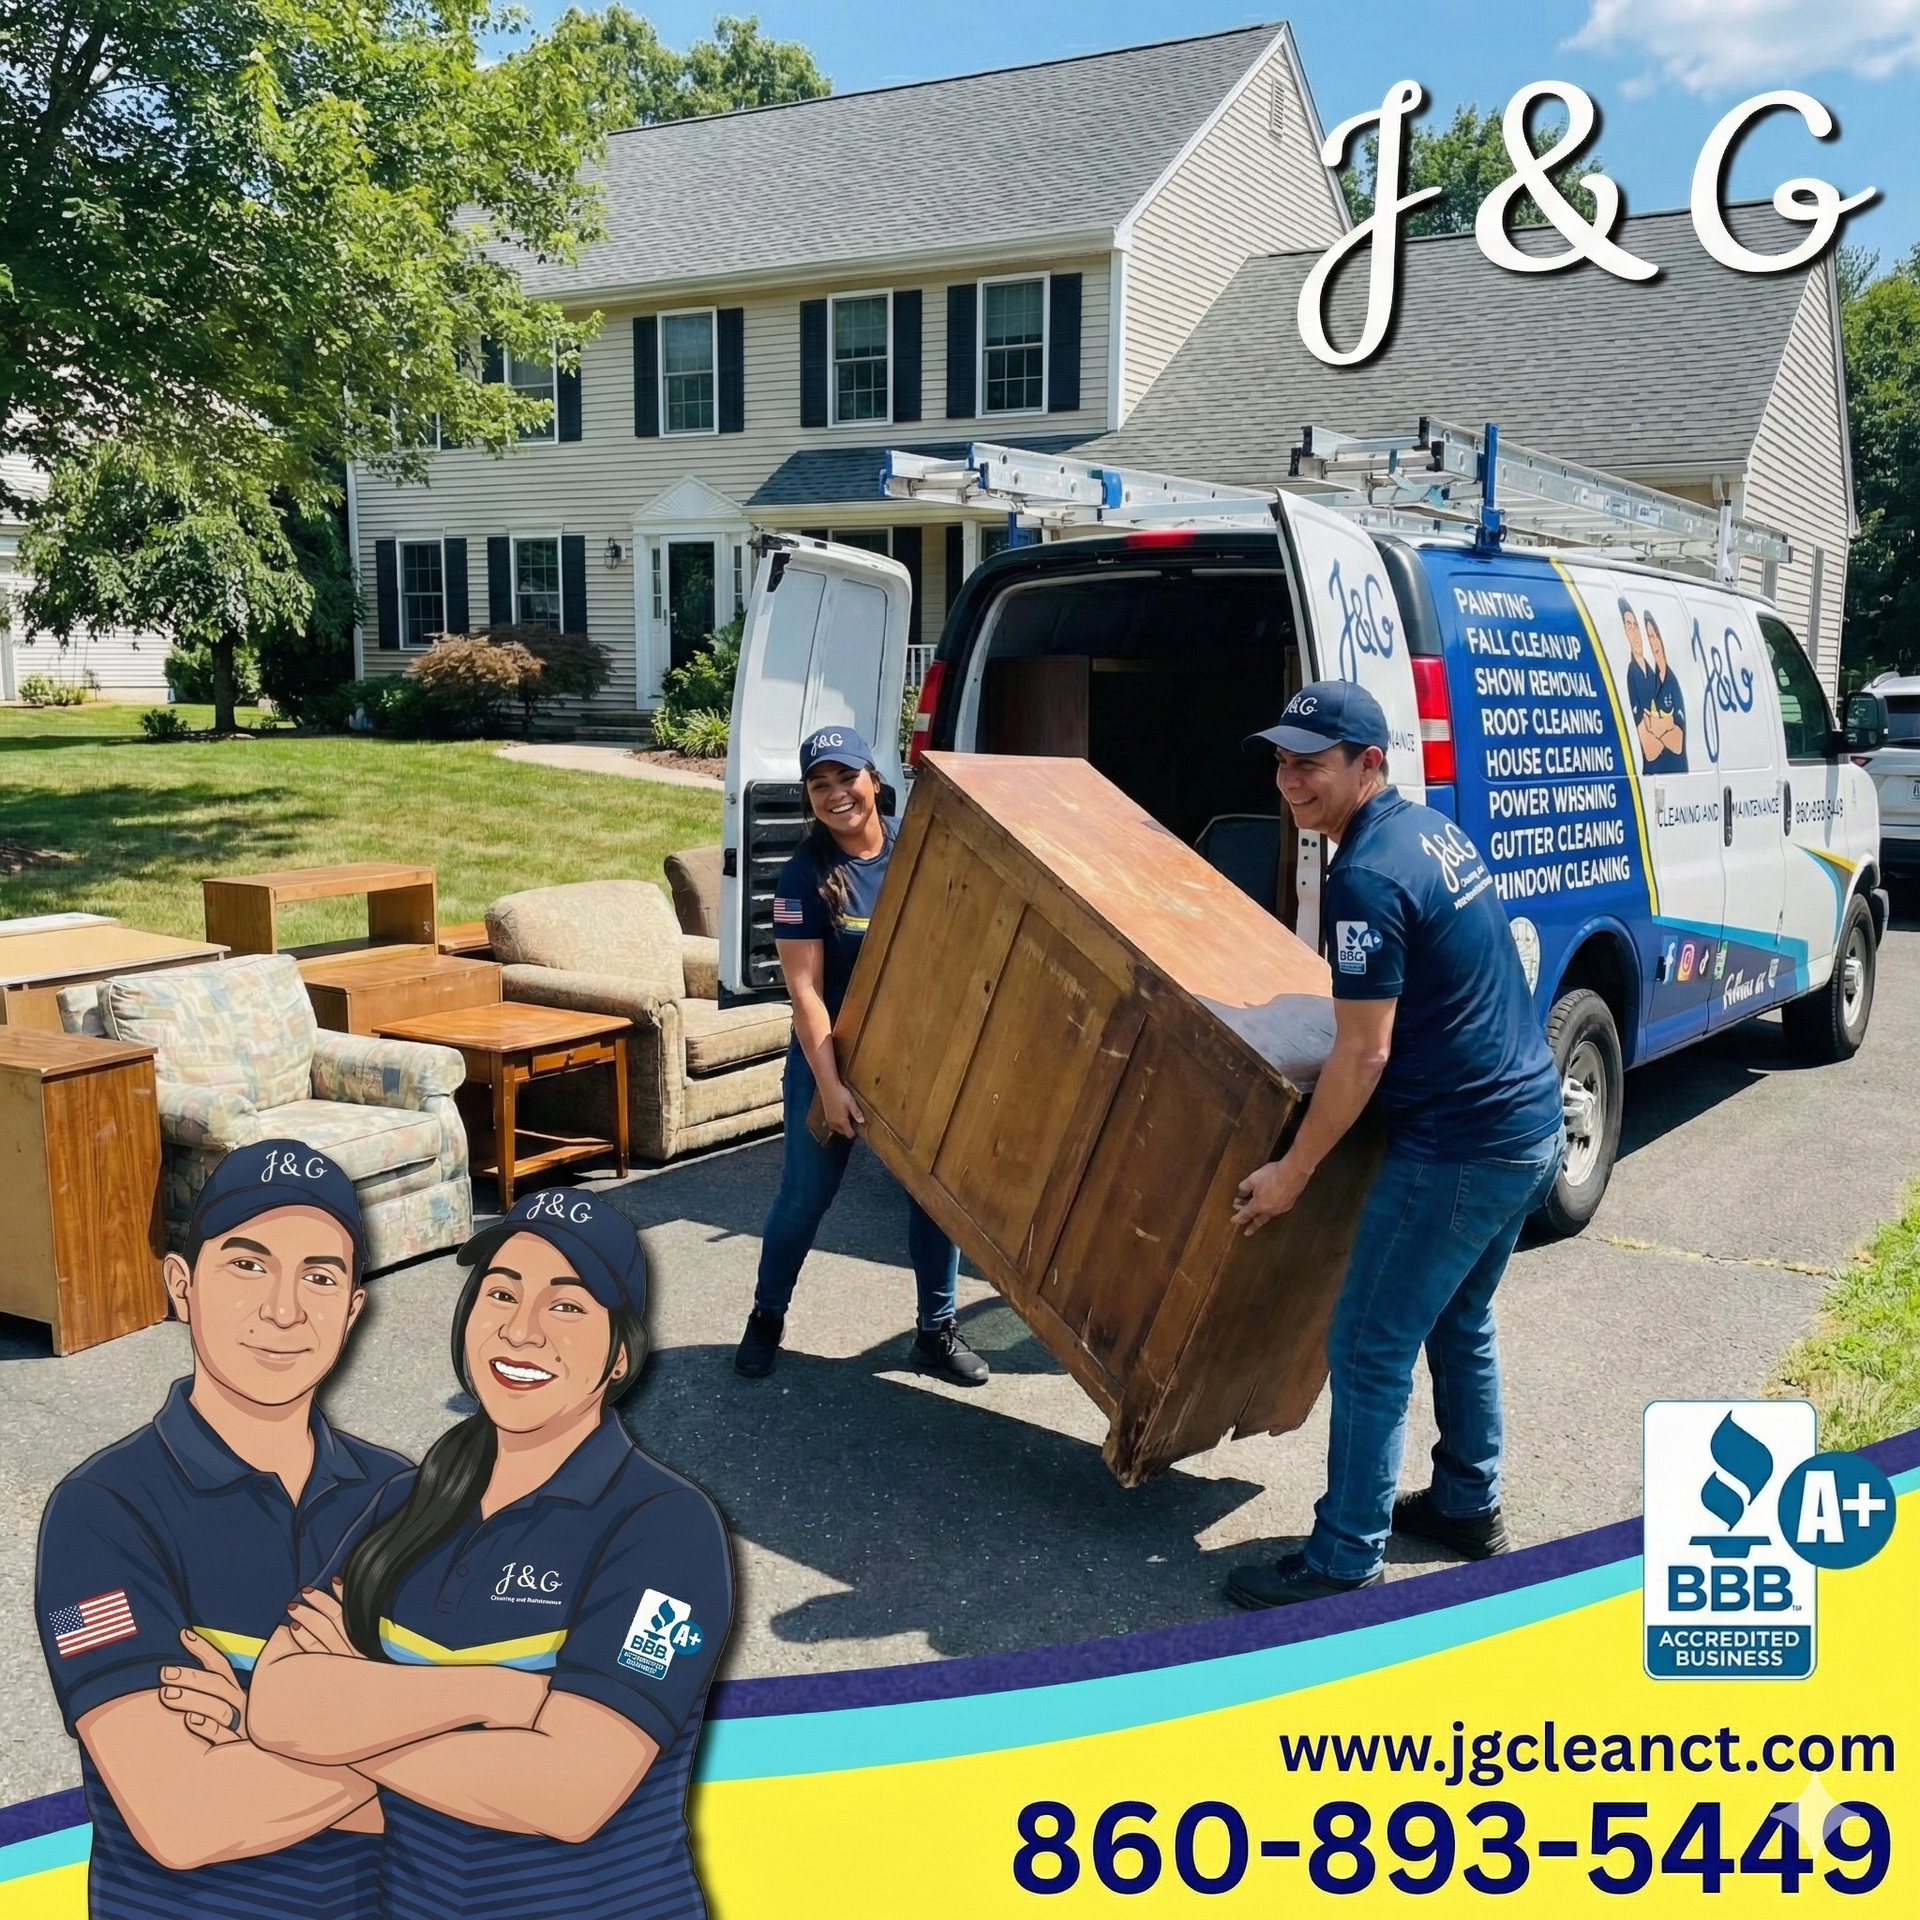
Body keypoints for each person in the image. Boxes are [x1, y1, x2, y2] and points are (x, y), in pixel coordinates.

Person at [245, 1188, 732, 1920]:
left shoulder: (666, 1528)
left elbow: (570, 1790)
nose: (521, 1331)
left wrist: (346, 1723)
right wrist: (496, 1696)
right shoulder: (406, 1503)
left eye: (566, 1306)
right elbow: (278, 1702)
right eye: (501, 1293)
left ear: (621, 1353)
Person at [1223, 683, 1565, 1608]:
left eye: (1313, 762)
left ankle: (1345, 1557)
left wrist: (1293, 1174)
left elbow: (1364, 1051)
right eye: (1284, 760)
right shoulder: (1428, 831)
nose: (1291, 779)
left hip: (1464, 1143)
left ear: (1370, 764)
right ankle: (1464, 1503)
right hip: (1527, 1123)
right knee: (1459, 1319)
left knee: (1370, 1343)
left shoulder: (1367, 877)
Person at [34, 1142, 408, 1918]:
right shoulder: (100, 1512)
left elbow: (514, 1804)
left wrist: (258, 1736)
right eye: (247, 1265)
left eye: (319, 1276)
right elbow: (183, 1815)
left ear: (352, 1309)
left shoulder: (405, 1498)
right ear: (182, 1286)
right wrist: (408, 1737)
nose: (283, 1308)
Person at [732, 724, 988, 1387]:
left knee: (935, 1199)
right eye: (820, 784)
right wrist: (832, 1083)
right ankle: (766, 1317)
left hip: (913, 1059)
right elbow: (806, 993)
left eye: (847, 777)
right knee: (804, 1197)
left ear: (875, 779)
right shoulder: (803, 877)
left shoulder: (918, 852)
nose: (836, 793)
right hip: (830, 1059)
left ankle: (935, 1333)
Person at [1641, 612, 1689, 773]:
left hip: (1677, 778)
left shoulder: (1672, 682)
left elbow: (1678, 744)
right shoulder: (1648, 681)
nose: (1653, 642)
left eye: (1655, 636)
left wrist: (1655, 727)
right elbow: (1648, 749)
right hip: (1650, 781)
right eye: (1649, 637)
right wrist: (1666, 726)